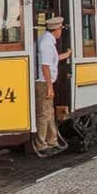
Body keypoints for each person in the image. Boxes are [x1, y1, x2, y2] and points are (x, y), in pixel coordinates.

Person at [34, 16, 72, 155]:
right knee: (44, 114)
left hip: (45, 82)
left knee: (49, 113)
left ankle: (53, 141)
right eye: (61, 29)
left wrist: (66, 55)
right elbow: (45, 67)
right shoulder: (47, 44)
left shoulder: (46, 40)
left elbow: (52, 60)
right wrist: (50, 87)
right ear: (57, 30)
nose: (61, 31)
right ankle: (41, 145)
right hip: (43, 83)